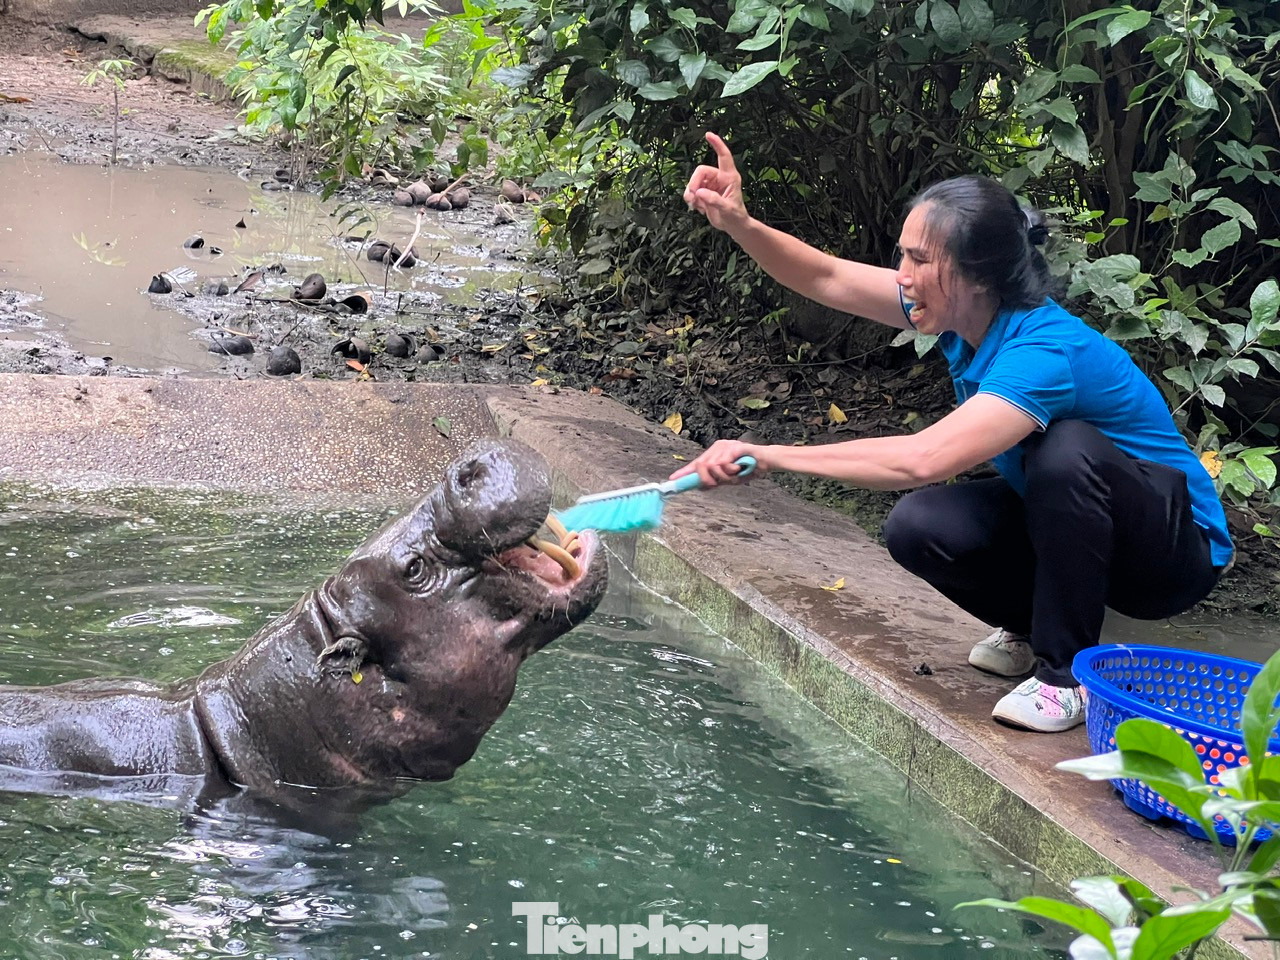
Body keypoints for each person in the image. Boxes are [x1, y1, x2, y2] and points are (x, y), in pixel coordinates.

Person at [673, 132, 1233, 733]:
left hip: (1174, 555)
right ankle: (1031, 629)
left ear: (978, 276)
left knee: (1066, 450)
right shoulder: (953, 312)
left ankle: (1065, 679)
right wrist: (740, 224)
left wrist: (766, 456)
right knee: (920, 526)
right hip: (1084, 525)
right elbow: (827, 276)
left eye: (920, 261)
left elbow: (924, 458)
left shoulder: (1045, 350)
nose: (902, 276)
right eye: (902, 256)